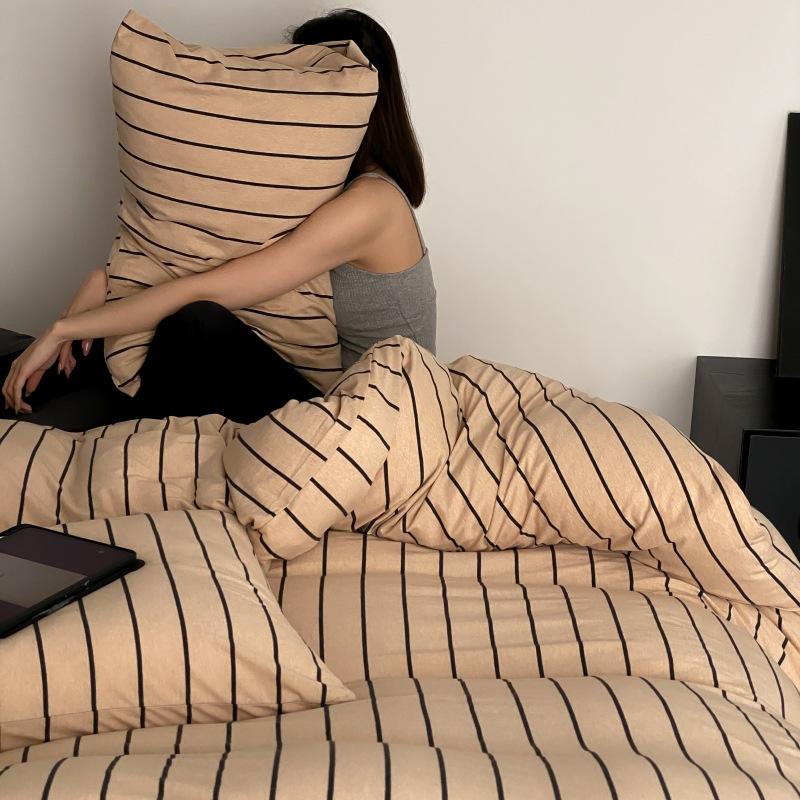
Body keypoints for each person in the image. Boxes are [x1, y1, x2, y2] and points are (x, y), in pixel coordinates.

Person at [1, 8, 436, 428]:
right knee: (120, 342)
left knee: (196, 326)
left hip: (369, 422)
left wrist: (65, 327)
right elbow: (206, 266)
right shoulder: (329, 192)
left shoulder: (371, 206)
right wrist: (101, 285)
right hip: (326, 399)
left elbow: (217, 286)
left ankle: (99, 423)